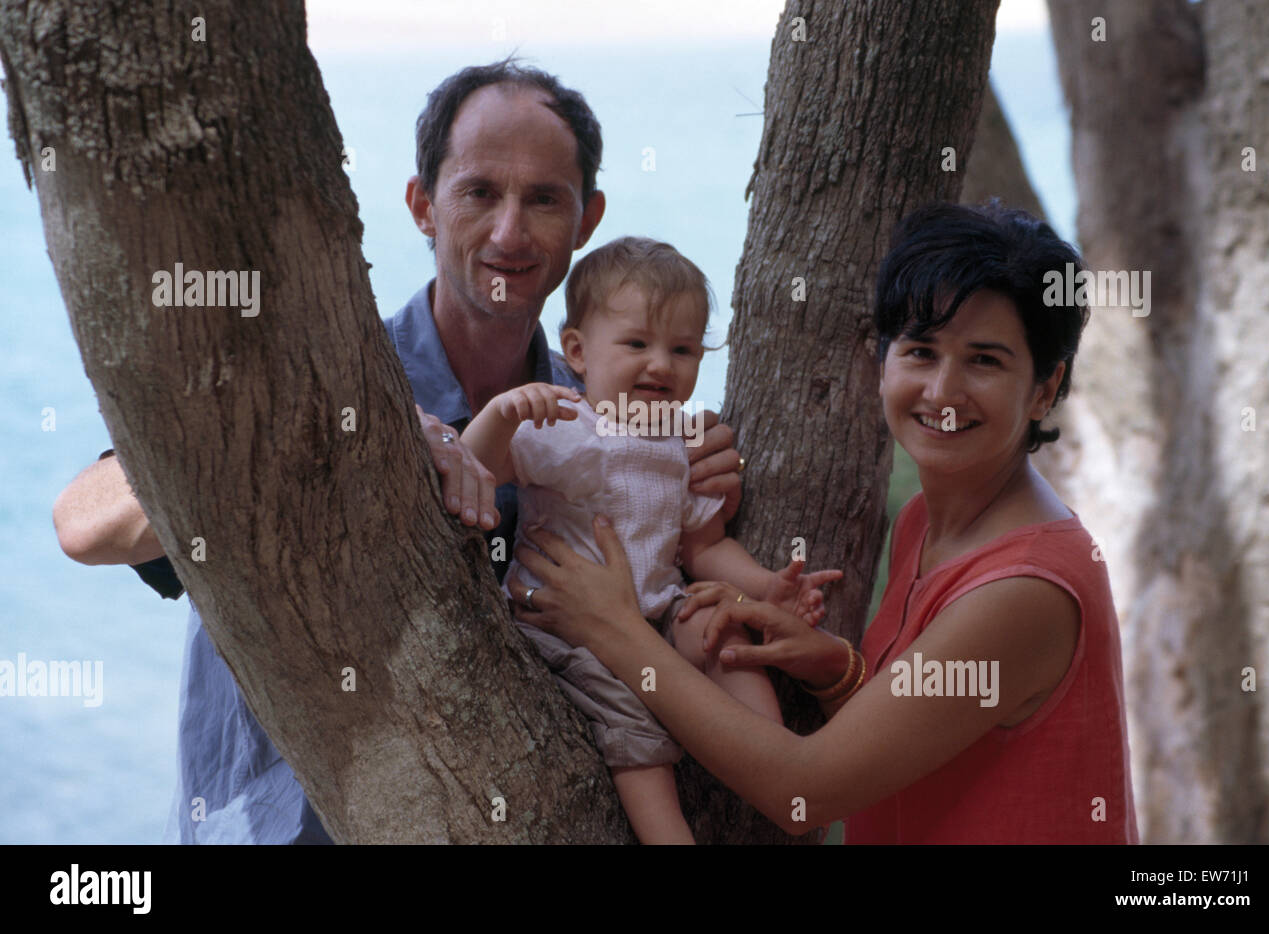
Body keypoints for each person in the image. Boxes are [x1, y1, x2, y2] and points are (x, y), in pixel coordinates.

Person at [51, 59, 743, 843]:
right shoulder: (320, 381)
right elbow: (82, 524)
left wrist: (703, 489)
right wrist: (355, 437)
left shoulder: (599, 420)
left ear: (586, 221)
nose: (510, 233)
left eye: (544, 200)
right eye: (480, 192)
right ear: (422, 206)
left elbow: (645, 601)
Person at [507, 202, 1140, 844]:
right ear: (885, 361)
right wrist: (838, 672)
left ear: (1044, 387)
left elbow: (803, 797)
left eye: (985, 361)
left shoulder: (1025, 589)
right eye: (921, 351)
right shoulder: (925, 520)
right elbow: (931, 732)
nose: (943, 392)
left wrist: (613, 628)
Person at [461, 236, 839, 844]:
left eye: (683, 350)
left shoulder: (680, 445)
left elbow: (705, 548)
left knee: (719, 629)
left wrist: (770, 588)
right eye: (637, 344)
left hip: (655, 612)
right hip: (564, 627)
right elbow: (476, 473)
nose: (661, 364)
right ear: (578, 352)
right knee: (633, 725)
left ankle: (776, 760)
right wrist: (500, 415)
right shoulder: (566, 427)